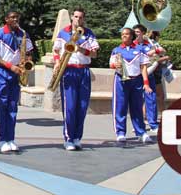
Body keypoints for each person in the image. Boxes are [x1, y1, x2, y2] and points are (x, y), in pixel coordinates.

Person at [52, 8, 99, 150]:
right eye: (76, 16)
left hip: (83, 70)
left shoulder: (89, 33)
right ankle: (68, 138)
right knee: (70, 106)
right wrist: (57, 63)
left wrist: (80, 49)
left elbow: (95, 54)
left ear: (83, 19)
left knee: (82, 106)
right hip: (69, 70)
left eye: (81, 17)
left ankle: (78, 137)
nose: (78, 19)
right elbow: (55, 50)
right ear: (72, 17)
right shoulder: (63, 33)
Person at [0, 11, 33, 153]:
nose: (15, 19)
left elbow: (29, 52)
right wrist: (10, 66)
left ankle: (11, 139)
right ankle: (2, 140)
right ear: (6, 19)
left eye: (17, 17)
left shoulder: (23, 34)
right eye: (12, 17)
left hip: (16, 73)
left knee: (13, 106)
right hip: (2, 72)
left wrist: (27, 61)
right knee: (2, 105)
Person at [110, 27, 153, 144]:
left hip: (136, 80)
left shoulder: (139, 50)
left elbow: (143, 67)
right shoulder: (116, 50)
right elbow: (111, 64)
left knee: (137, 107)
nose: (124, 36)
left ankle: (141, 132)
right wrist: (116, 65)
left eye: (126, 34)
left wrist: (146, 83)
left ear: (131, 36)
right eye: (122, 34)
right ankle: (120, 133)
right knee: (120, 107)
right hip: (121, 81)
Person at [133, 24, 169, 133]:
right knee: (137, 101)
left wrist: (157, 51)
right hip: (137, 75)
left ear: (143, 33)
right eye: (134, 32)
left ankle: (153, 124)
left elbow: (162, 52)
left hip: (150, 74)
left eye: (138, 32)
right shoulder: (132, 45)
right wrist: (150, 53)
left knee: (151, 100)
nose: (136, 34)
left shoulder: (149, 44)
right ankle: (139, 124)